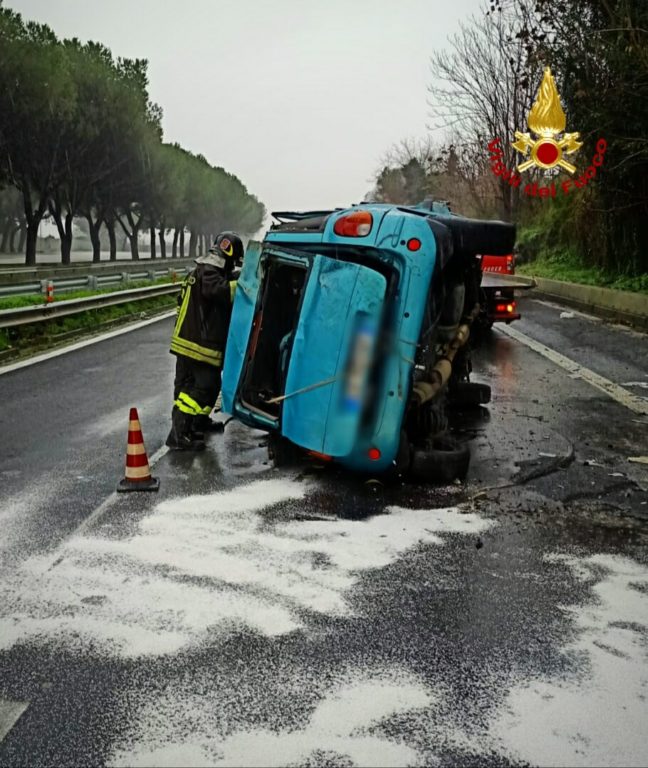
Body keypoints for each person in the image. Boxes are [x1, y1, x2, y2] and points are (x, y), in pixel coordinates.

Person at [166, 232, 244, 450]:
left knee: (193, 387)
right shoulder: (208, 272)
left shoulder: (204, 270)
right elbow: (218, 291)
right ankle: (179, 434)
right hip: (198, 344)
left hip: (190, 342)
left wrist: (237, 276)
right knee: (204, 387)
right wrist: (245, 285)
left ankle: (196, 424)